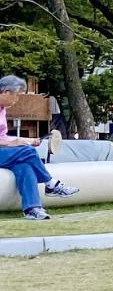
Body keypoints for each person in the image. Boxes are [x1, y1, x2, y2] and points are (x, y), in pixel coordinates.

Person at [0, 75, 78, 220]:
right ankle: (51, 184)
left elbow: (3, 137)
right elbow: (5, 141)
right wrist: (15, 143)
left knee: (24, 166)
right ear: (5, 92)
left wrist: (25, 140)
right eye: (16, 96)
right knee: (28, 151)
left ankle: (33, 209)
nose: (17, 100)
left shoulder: (2, 110)